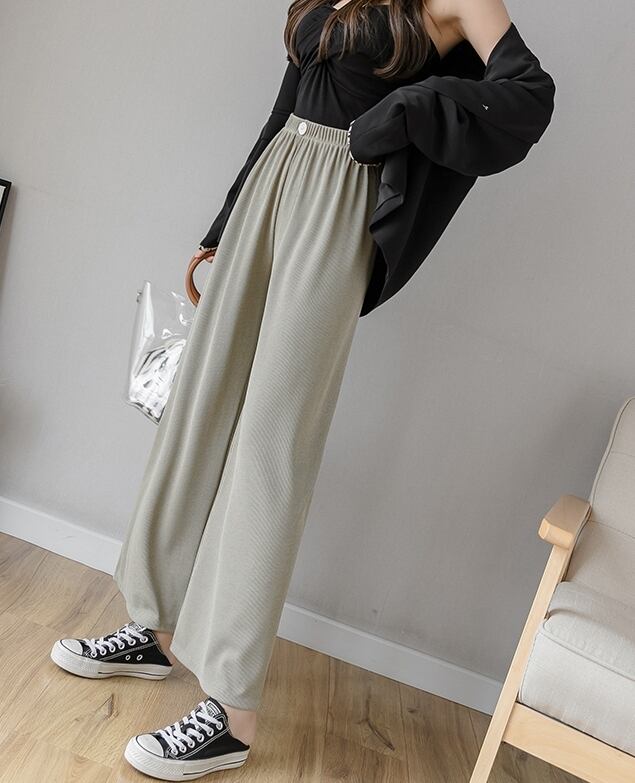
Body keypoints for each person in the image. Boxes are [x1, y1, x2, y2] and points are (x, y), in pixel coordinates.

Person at [49, 0, 544, 779]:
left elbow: (527, 93)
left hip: (339, 202)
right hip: (271, 186)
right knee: (199, 411)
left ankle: (231, 712)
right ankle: (153, 626)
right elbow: (285, 107)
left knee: (269, 444)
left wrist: (411, 107)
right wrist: (223, 226)